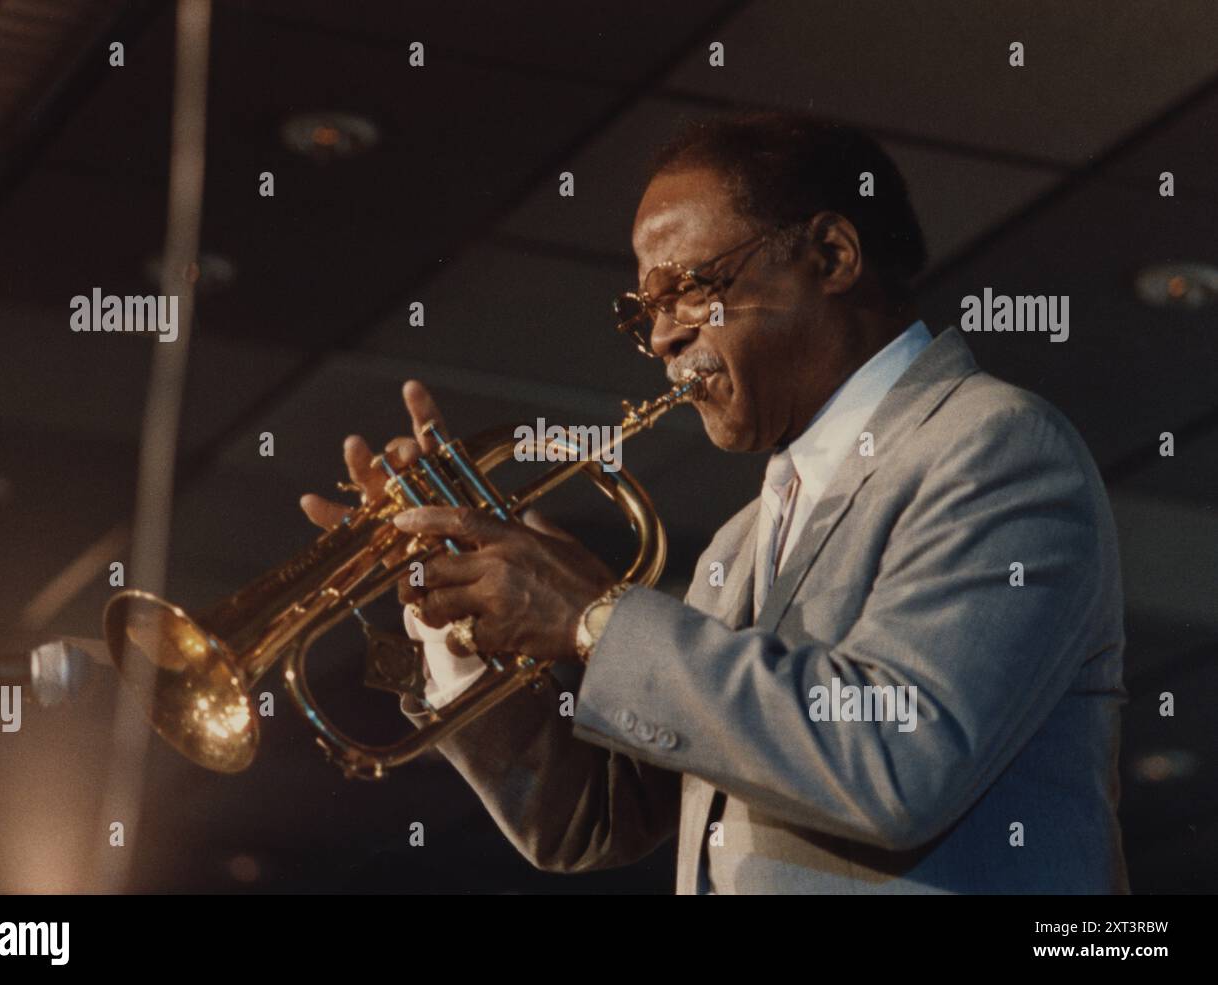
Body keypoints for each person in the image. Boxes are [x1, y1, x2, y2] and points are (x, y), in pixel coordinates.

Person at [301, 112, 1130, 894]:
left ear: (833, 256)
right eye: (646, 312)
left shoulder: (996, 446)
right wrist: (463, 622)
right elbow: (590, 818)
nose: (662, 338)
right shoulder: (739, 539)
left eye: (691, 290)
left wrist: (595, 618)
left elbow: (896, 756)